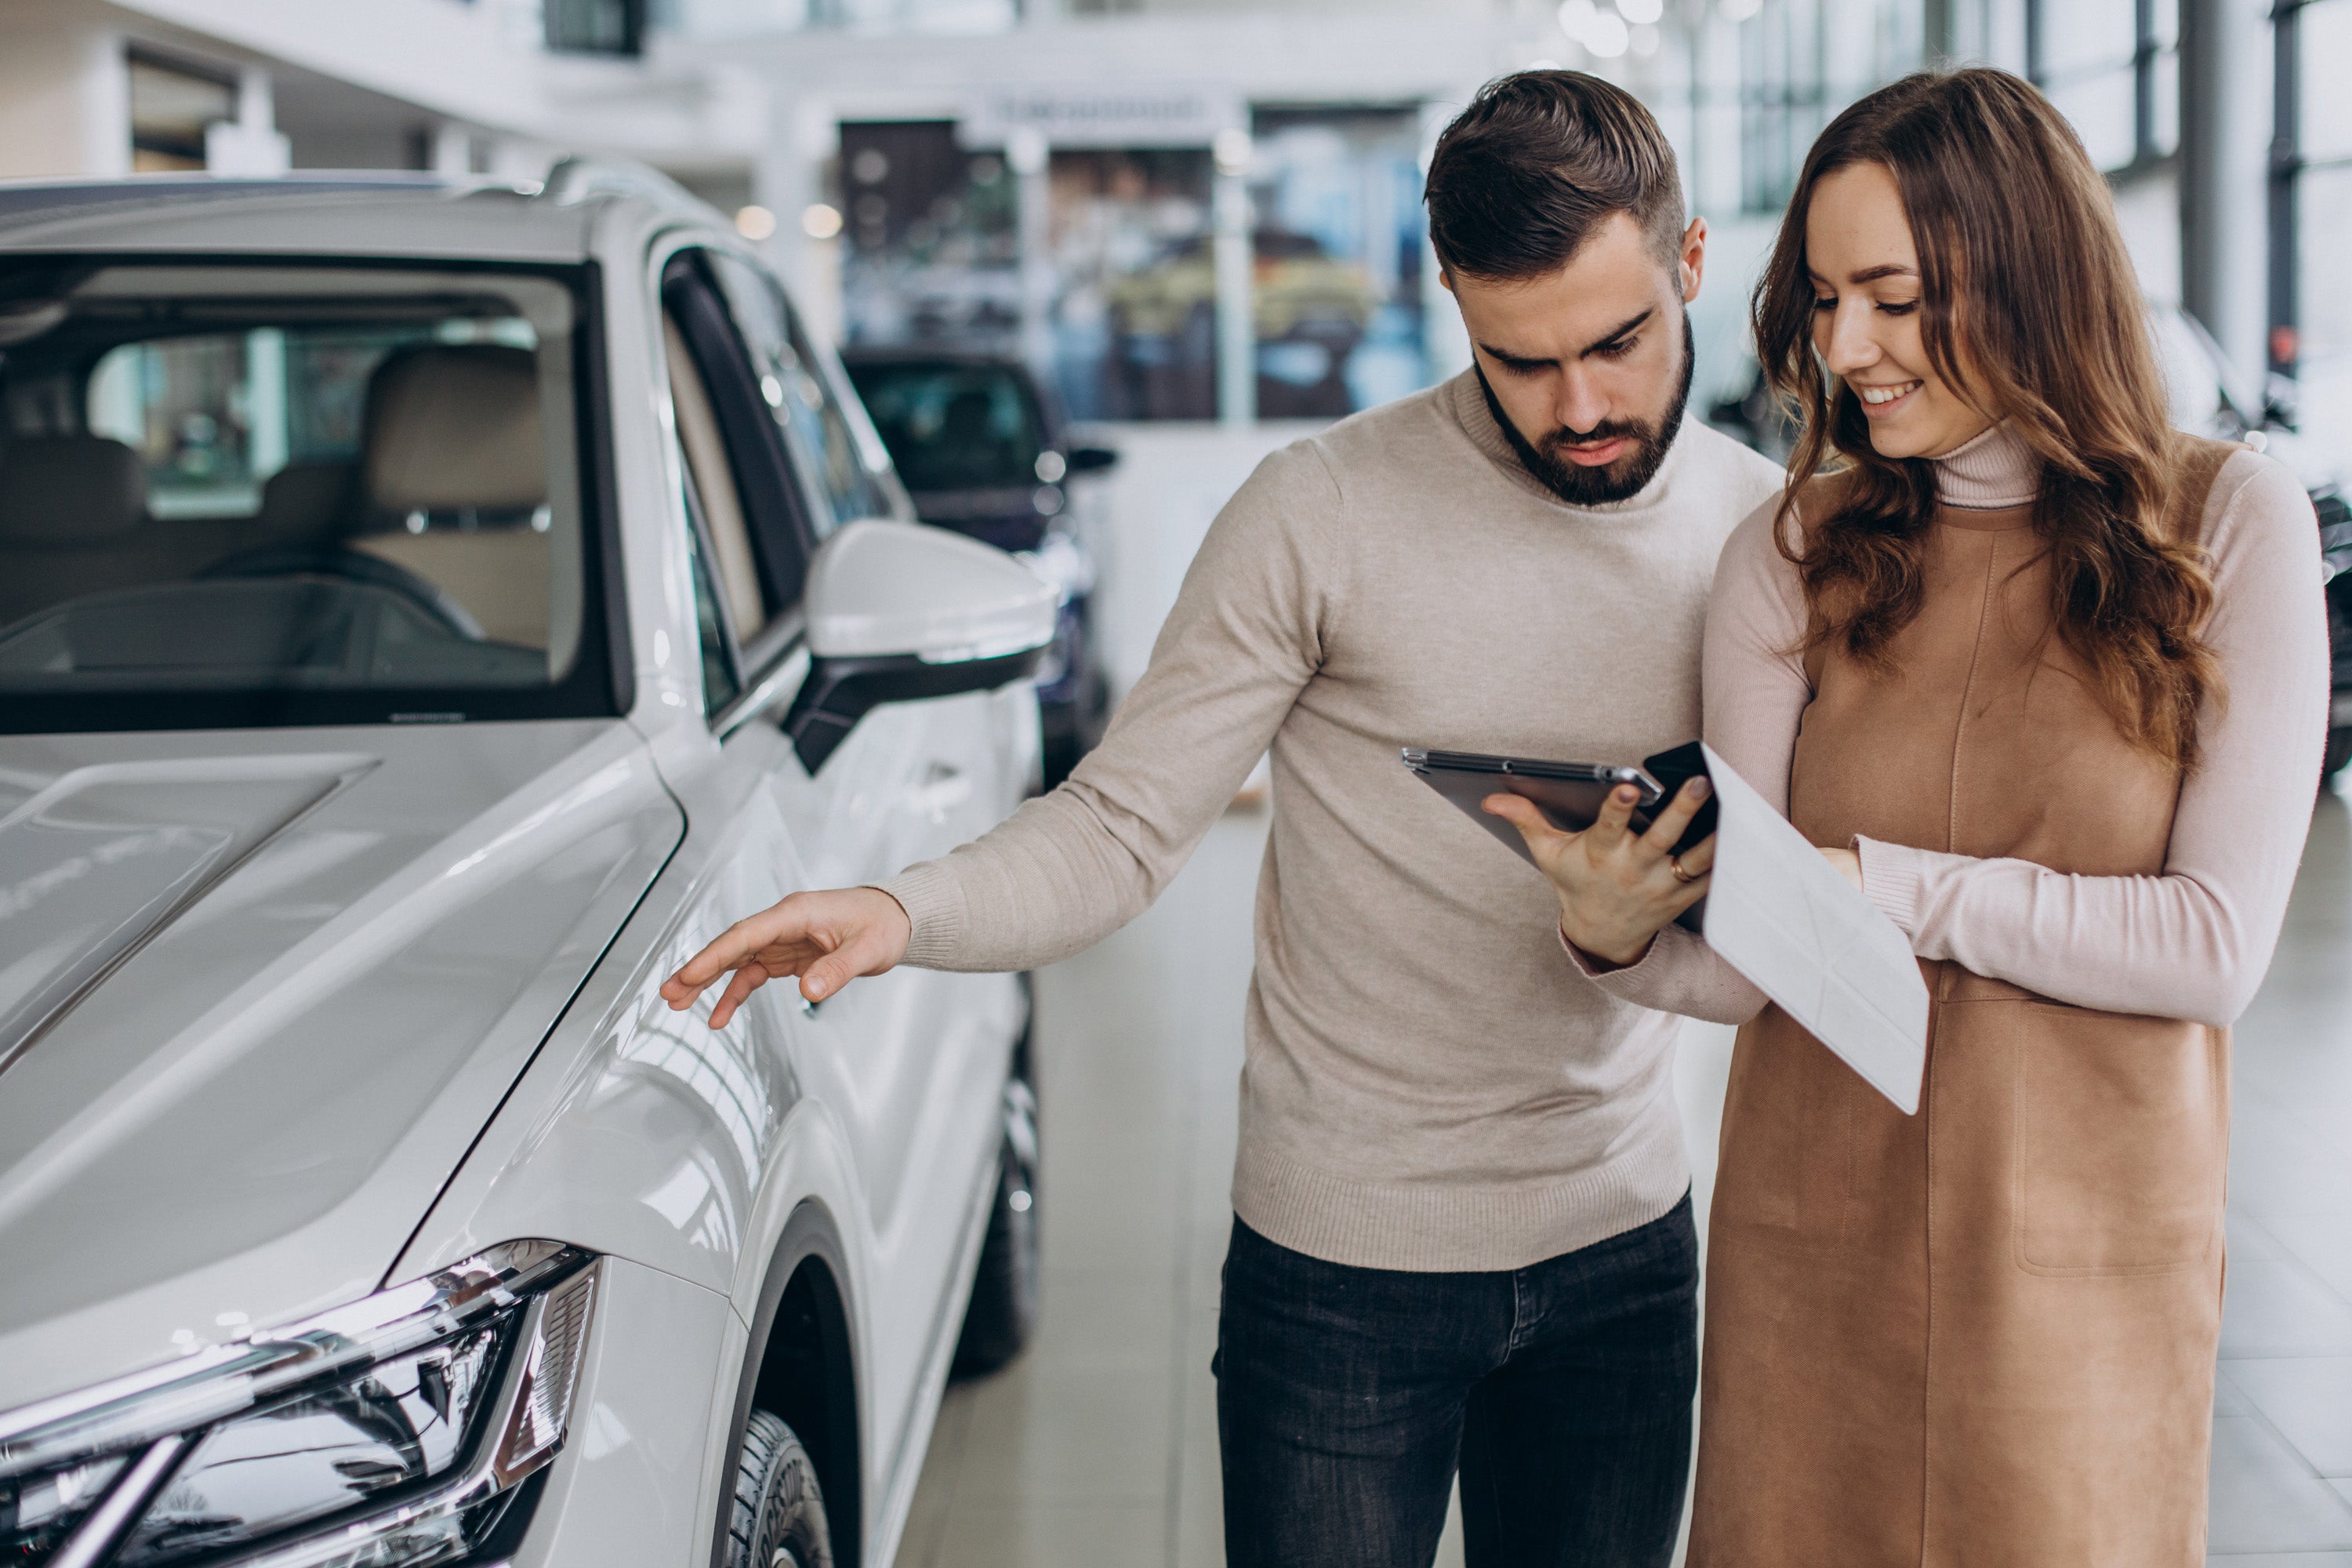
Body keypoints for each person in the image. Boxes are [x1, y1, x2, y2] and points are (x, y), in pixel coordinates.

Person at [663, 71, 1782, 1568]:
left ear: (1692, 263)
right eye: (1521, 362)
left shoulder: (1765, 538)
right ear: (1451, 298)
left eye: (1619, 343)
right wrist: (904, 912)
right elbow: (1123, 827)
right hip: (1343, 1269)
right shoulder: (1319, 511)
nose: (1579, 406)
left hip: (1623, 1248)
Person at [1485, 68, 2329, 1566]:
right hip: (1818, 1249)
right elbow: (1751, 957)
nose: (1844, 350)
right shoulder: (1794, 554)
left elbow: (2213, 949)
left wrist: (1889, 885)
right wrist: (1619, 942)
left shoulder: (2227, 527)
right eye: (1820, 298)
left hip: (2087, 1264)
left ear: (2028, 272)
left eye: (1892, 295)